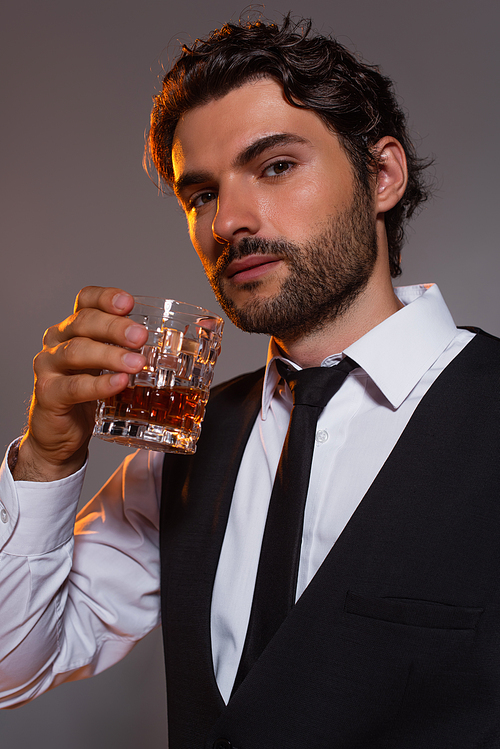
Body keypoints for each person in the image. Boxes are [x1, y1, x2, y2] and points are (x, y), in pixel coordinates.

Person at [1, 14, 500, 748]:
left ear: (382, 175)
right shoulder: (182, 448)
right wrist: (46, 460)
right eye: (199, 194)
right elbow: (12, 666)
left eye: (274, 166)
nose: (228, 220)